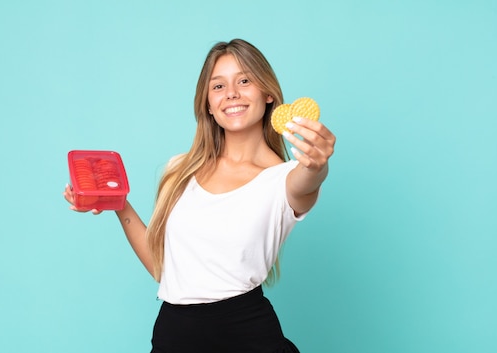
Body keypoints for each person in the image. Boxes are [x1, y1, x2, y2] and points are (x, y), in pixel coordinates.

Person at [63, 38, 336, 353]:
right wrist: (119, 204)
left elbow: (309, 179)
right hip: (173, 335)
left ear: (268, 93)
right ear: (208, 103)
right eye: (218, 86)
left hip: (245, 336)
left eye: (244, 81)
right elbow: (162, 269)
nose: (231, 93)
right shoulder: (179, 169)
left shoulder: (284, 178)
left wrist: (317, 164)